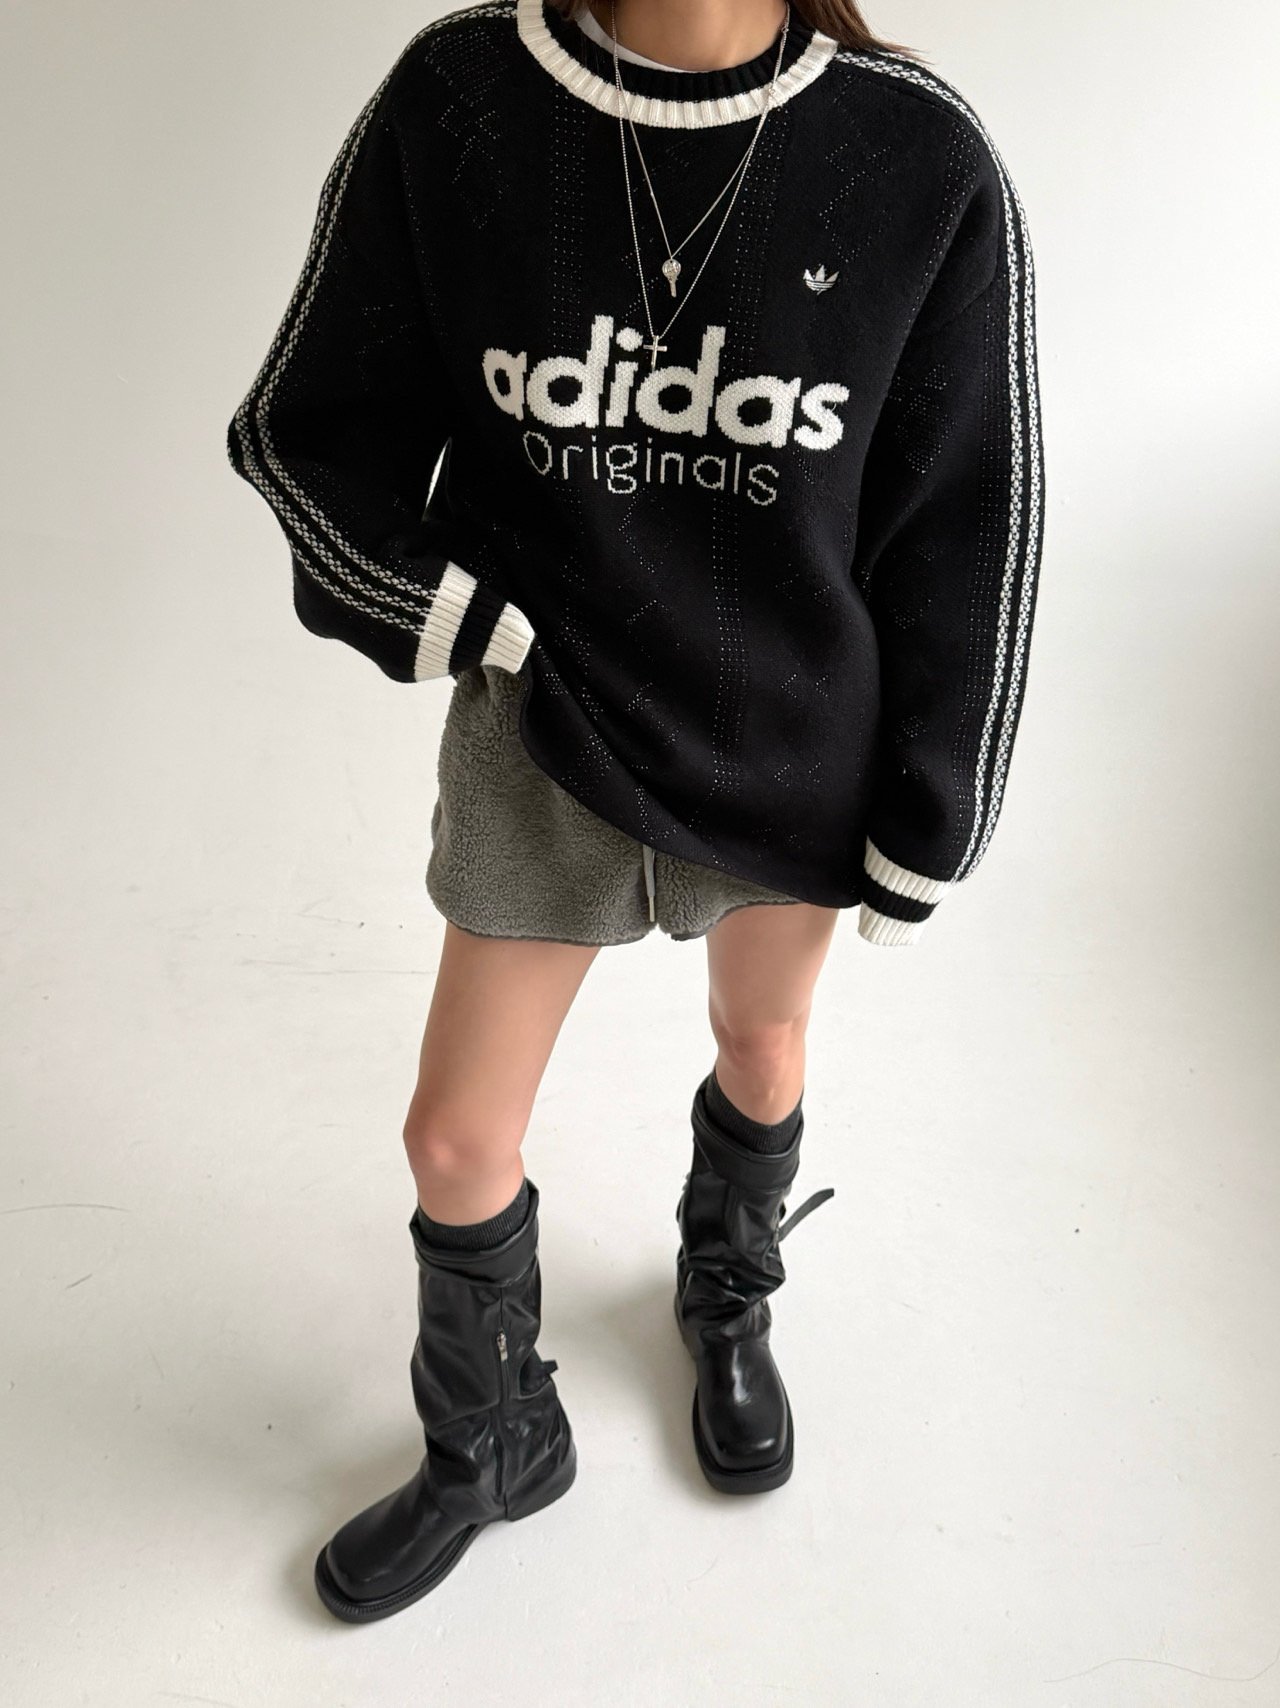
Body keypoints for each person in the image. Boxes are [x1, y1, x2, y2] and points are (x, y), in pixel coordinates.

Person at [226, 0, 1045, 1622]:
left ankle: (725, 1291)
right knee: (455, 1138)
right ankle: (493, 1440)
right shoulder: (462, 96)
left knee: (764, 1048)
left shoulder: (918, 155)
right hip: (549, 729)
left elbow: (970, 517)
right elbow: (305, 424)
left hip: (793, 742)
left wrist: (931, 815)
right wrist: (452, 615)